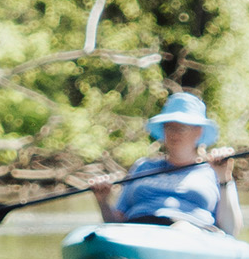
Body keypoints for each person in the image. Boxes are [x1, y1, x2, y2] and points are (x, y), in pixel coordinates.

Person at [90, 92, 241, 235]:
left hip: (190, 234)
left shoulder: (214, 172)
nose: (174, 134)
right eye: (169, 127)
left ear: (198, 132)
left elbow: (230, 230)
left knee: (181, 228)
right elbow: (114, 223)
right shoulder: (143, 167)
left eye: (181, 128)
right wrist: (103, 201)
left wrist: (224, 178)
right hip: (137, 231)